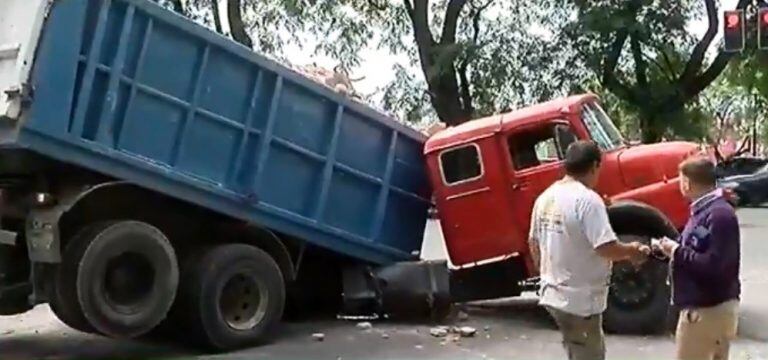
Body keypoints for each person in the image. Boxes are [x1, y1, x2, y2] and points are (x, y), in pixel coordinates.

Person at [528, 140, 650, 360]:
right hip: (580, 302)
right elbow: (606, 248)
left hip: (553, 296)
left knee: (576, 350)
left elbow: (534, 244)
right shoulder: (588, 200)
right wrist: (632, 251)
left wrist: (549, 275)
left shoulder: (545, 197)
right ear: (595, 166)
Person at [654, 157, 741, 360]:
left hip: (706, 311)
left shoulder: (719, 215)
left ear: (687, 183)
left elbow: (715, 266)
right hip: (709, 310)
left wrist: (676, 251)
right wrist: (667, 249)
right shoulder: (705, 211)